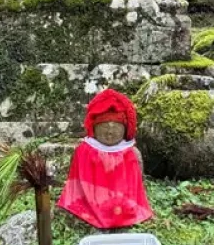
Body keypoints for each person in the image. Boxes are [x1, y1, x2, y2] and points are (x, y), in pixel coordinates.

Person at [56, 90, 153, 229]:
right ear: (94, 129)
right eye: (104, 128)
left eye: (115, 129)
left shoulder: (131, 153)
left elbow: (137, 184)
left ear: (125, 130)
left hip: (123, 200)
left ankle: (121, 208)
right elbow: (76, 182)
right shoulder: (84, 151)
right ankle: (92, 205)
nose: (109, 133)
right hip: (91, 197)